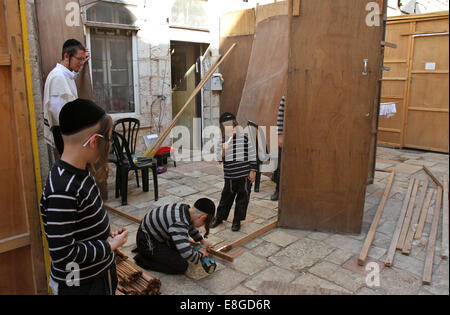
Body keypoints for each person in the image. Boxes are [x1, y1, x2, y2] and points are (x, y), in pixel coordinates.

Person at [40, 99, 128, 295]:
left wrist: (104, 236)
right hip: (79, 284)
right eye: (108, 141)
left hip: (98, 274)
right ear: (95, 141)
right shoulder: (62, 189)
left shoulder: (81, 170)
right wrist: (107, 246)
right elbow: (63, 254)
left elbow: (81, 226)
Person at [133, 198, 216, 275]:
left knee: (179, 250)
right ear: (202, 217)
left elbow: (190, 226)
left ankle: (154, 253)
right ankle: (143, 260)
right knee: (181, 266)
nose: (201, 226)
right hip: (147, 242)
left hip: (151, 234)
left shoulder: (185, 209)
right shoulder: (179, 223)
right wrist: (201, 254)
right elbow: (186, 253)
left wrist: (202, 241)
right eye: (203, 224)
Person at [212, 112, 257, 232]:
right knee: (225, 198)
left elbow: (253, 155)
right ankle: (219, 217)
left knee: (242, 199)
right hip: (230, 177)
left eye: (230, 125)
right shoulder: (222, 141)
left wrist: (252, 171)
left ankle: (237, 220)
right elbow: (219, 159)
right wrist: (224, 148)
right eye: (225, 126)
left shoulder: (244, 138)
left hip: (244, 176)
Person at [43, 39, 89, 156]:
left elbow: (73, 75)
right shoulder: (58, 77)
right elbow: (59, 113)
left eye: (83, 59)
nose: (82, 62)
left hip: (69, 134)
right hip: (66, 135)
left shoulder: (65, 74)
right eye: (79, 59)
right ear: (66, 56)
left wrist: (83, 59)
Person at [271, 95, 285, 201]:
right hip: (286, 135)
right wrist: (279, 135)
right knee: (280, 164)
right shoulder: (287, 94)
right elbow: (281, 114)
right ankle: (278, 190)